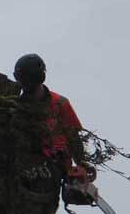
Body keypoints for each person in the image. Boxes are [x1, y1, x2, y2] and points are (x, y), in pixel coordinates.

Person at [13, 53, 96, 204]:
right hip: (28, 164)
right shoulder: (15, 108)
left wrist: (80, 162)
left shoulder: (59, 104)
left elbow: (73, 137)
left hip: (55, 164)